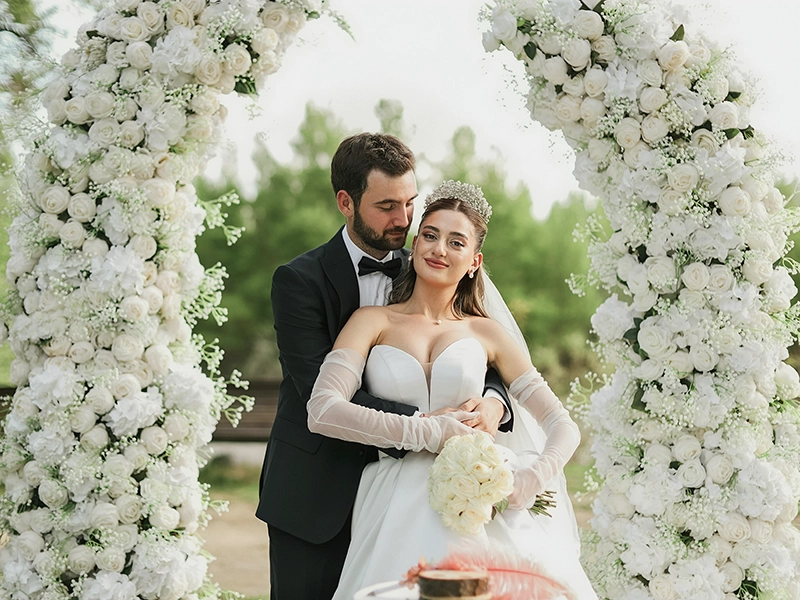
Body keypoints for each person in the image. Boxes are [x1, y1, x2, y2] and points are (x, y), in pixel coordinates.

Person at [306, 181, 597, 599]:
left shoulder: (486, 331)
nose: (438, 248)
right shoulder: (371, 321)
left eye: (455, 241)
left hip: (481, 497)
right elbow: (323, 411)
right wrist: (427, 431)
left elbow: (562, 425)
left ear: (474, 261)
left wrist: (532, 477)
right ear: (416, 239)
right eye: (430, 234)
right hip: (394, 498)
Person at [255, 134, 514, 600]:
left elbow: (474, 345)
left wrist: (494, 403)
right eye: (387, 206)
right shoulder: (299, 281)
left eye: (411, 203)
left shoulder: (430, 263)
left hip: (414, 499)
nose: (405, 220)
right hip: (316, 493)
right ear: (345, 202)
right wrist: (426, 424)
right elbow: (321, 389)